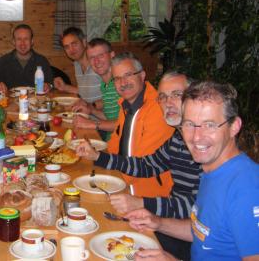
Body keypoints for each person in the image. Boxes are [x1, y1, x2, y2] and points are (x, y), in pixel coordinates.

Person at [127, 81, 259, 261]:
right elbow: (203, 230)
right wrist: (158, 222)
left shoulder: (248, 190)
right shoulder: (212, 169)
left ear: (234, 126)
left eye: (210, 125)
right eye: (189, 124)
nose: (197, 137)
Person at [77, 71, 201, 260]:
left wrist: (143, 203)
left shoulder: (202, 146)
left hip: (191, 240)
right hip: (174, 224)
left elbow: (197, 206)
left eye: (177, 95)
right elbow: (146, 165)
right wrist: (97, 156)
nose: (168, 103)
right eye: (163, 97)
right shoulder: (179, 138)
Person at [105, 52, 175, 197]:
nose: (123, 83)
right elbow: (114, 145)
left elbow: (139, 168)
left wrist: (107, 169)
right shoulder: (125, 105)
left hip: (151, 198)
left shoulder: (158, 109)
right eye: (117, 78)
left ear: (142, 75)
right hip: (125, 187)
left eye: (128, 75)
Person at [72, 37, 120, 140]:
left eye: (101, 55)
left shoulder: (120, 84)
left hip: (120, 149)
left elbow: (126, 125)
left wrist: (92, 123)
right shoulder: (104, 84)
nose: (96, 61)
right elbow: (110, 117)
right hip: (110, 142)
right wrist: (91, 110)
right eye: (92, 58)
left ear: (112, 55)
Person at [0, 24, 52, 92]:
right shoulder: (3, 61)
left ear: (32, 41)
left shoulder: (42, 61)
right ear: (13, 42)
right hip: (9, 101)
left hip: (36, 101)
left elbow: (50, 84)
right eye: (19, 39)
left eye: (26, 39)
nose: (22, 43)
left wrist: (48, 86)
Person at [54, 27, 102, 104]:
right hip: (87, 112)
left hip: (101, 114)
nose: (71, 50)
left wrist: (91, 107)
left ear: (84, 42)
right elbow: (85, 92)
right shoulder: (77, 64)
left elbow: (115, 97)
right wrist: (65, 87)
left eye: (74, 44)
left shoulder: (98, 63)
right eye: (67, 47)